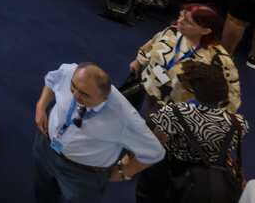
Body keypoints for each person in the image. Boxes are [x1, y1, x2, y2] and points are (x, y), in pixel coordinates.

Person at [33, 62, 165, 202]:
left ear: (104, 98)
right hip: (45, 147)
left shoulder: (124, 117)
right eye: (73, 87)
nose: (75, 96)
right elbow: (53, 79)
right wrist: (41, 105)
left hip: (81, 175)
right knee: (43, 192)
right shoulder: (71, 73)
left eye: (84, 94)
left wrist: (123, 172)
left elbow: (154, 152)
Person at [137, 61, 248, 203]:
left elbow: (153, 142)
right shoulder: (239, 123)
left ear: (190, 91)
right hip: (209, 180)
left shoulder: (173, 113)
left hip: (170, 174)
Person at [129, 4, 240, 114]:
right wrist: (138, 61)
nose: (180, 21)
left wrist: (217, 116)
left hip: (177, 106)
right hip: (150, 86)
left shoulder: (218, 59)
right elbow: (152, 44)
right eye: (181, 16)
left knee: (156, 123)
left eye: (188, 22)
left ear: (205, 31)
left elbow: (232, 95)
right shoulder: (172, 31)